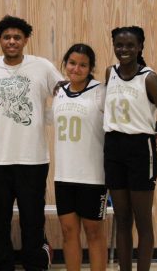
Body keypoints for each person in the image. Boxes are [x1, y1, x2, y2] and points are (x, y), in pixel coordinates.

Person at [0, 15, 62, 271]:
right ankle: (1, 265)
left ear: (25, 39)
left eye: (17, 37)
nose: (12, 41)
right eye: (6, 37)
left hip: (33, 159)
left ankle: (35, 265)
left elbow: (65, 94)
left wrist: (46, 116)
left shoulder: (42, 66)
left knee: (32, 218)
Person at [103, 26, 157, 271]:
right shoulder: (109, 73)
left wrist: (145, 127)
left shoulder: (148, 78)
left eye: (129, 45)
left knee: (143, 221)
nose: (123, 50)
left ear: (139, 47)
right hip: (113, 148)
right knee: (122, 220)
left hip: (139, 149)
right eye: (119, 45)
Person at [49, 44, 107, 271]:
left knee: (93, 232)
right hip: (64, 174)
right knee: (68, 231)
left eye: (83, 65)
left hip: (92, 175)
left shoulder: (100, 91)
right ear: (65, 64)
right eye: (72, 63)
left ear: (91, 67)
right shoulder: (59, 92)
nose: (76, 68)